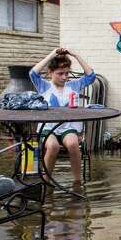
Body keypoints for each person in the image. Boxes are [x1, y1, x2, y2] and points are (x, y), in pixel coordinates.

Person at [30, 47, 96, 185]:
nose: (64, 77)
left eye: (67, 73)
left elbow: (91, 76)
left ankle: (77, 182)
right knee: (53, 146)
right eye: (60, 73)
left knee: (73, 144)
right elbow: (33, 73)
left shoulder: (74, 85)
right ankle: (46, 181)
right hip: (48, 128)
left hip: (68, 128)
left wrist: (76, 54)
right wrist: (51, 55)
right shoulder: (44, 86)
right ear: (50, 73)